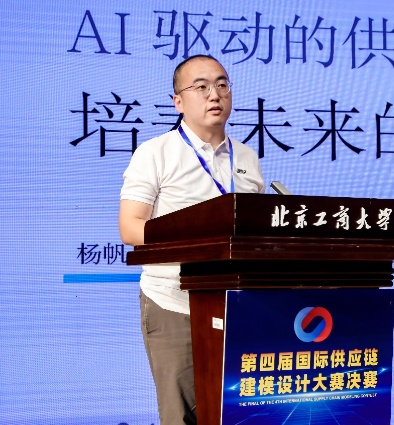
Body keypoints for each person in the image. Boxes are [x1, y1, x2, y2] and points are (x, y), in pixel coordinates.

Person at [119, 55, 265, 424]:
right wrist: (197, 241)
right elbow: (131, 227)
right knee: (182, 416)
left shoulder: (246, 156)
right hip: (174, 303)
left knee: (238, 414)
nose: (214, 94)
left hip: (237, 306)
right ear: (178, 101)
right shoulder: (155, 152)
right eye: (201, 87)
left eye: (222, 84)